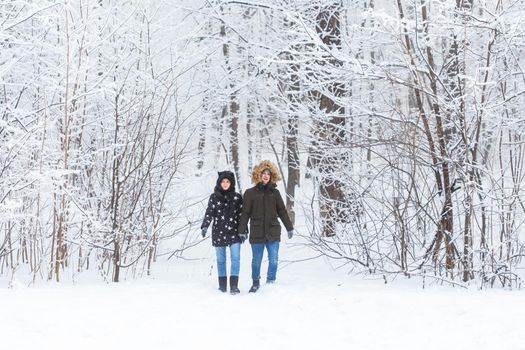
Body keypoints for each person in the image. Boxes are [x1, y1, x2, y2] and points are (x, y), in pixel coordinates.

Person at [238, 160, 294, 293]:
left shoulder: (275, 193)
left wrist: (289, 227)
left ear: (271, 176)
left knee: (273, 260)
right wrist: (242, 230)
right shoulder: (250, 193)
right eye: (263, 173)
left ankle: (270, 283)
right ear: (258, 175)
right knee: (256, 261)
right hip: (257, 232)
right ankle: (255, 282)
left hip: (273, 231)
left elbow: (281, 211)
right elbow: (245, 213)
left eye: (268, 174)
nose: (266, 176)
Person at [201, 171, 245, 294]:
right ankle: (222, 286)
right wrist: (205, 226)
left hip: (234, 232)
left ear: (231, 183)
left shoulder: (237, 197)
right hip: (219, 231)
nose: (225, 184)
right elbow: (209, 212)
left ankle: (234, 286)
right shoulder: (214, 197)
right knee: (221, 260)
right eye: (223, 181)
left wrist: (243, 231)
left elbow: (242, 216)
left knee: (235, 258)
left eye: (227, 182)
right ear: (220, 183)